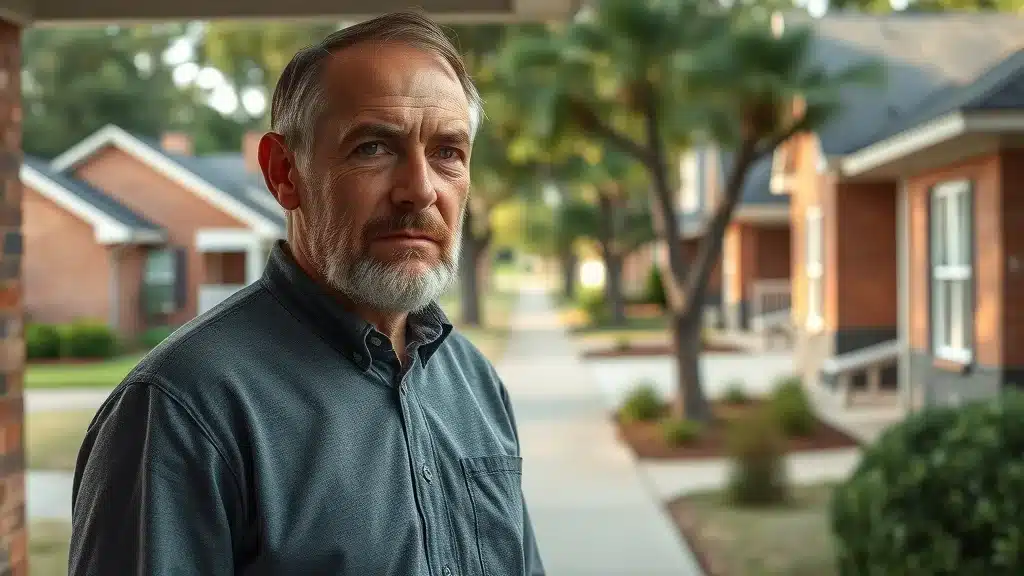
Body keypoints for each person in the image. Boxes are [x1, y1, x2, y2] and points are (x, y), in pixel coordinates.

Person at [69, 11, 545, 576]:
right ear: (283, 173)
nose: (420, 189)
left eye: (448, 152)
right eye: (373, 147)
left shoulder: (474, 383)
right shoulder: (182, 411)